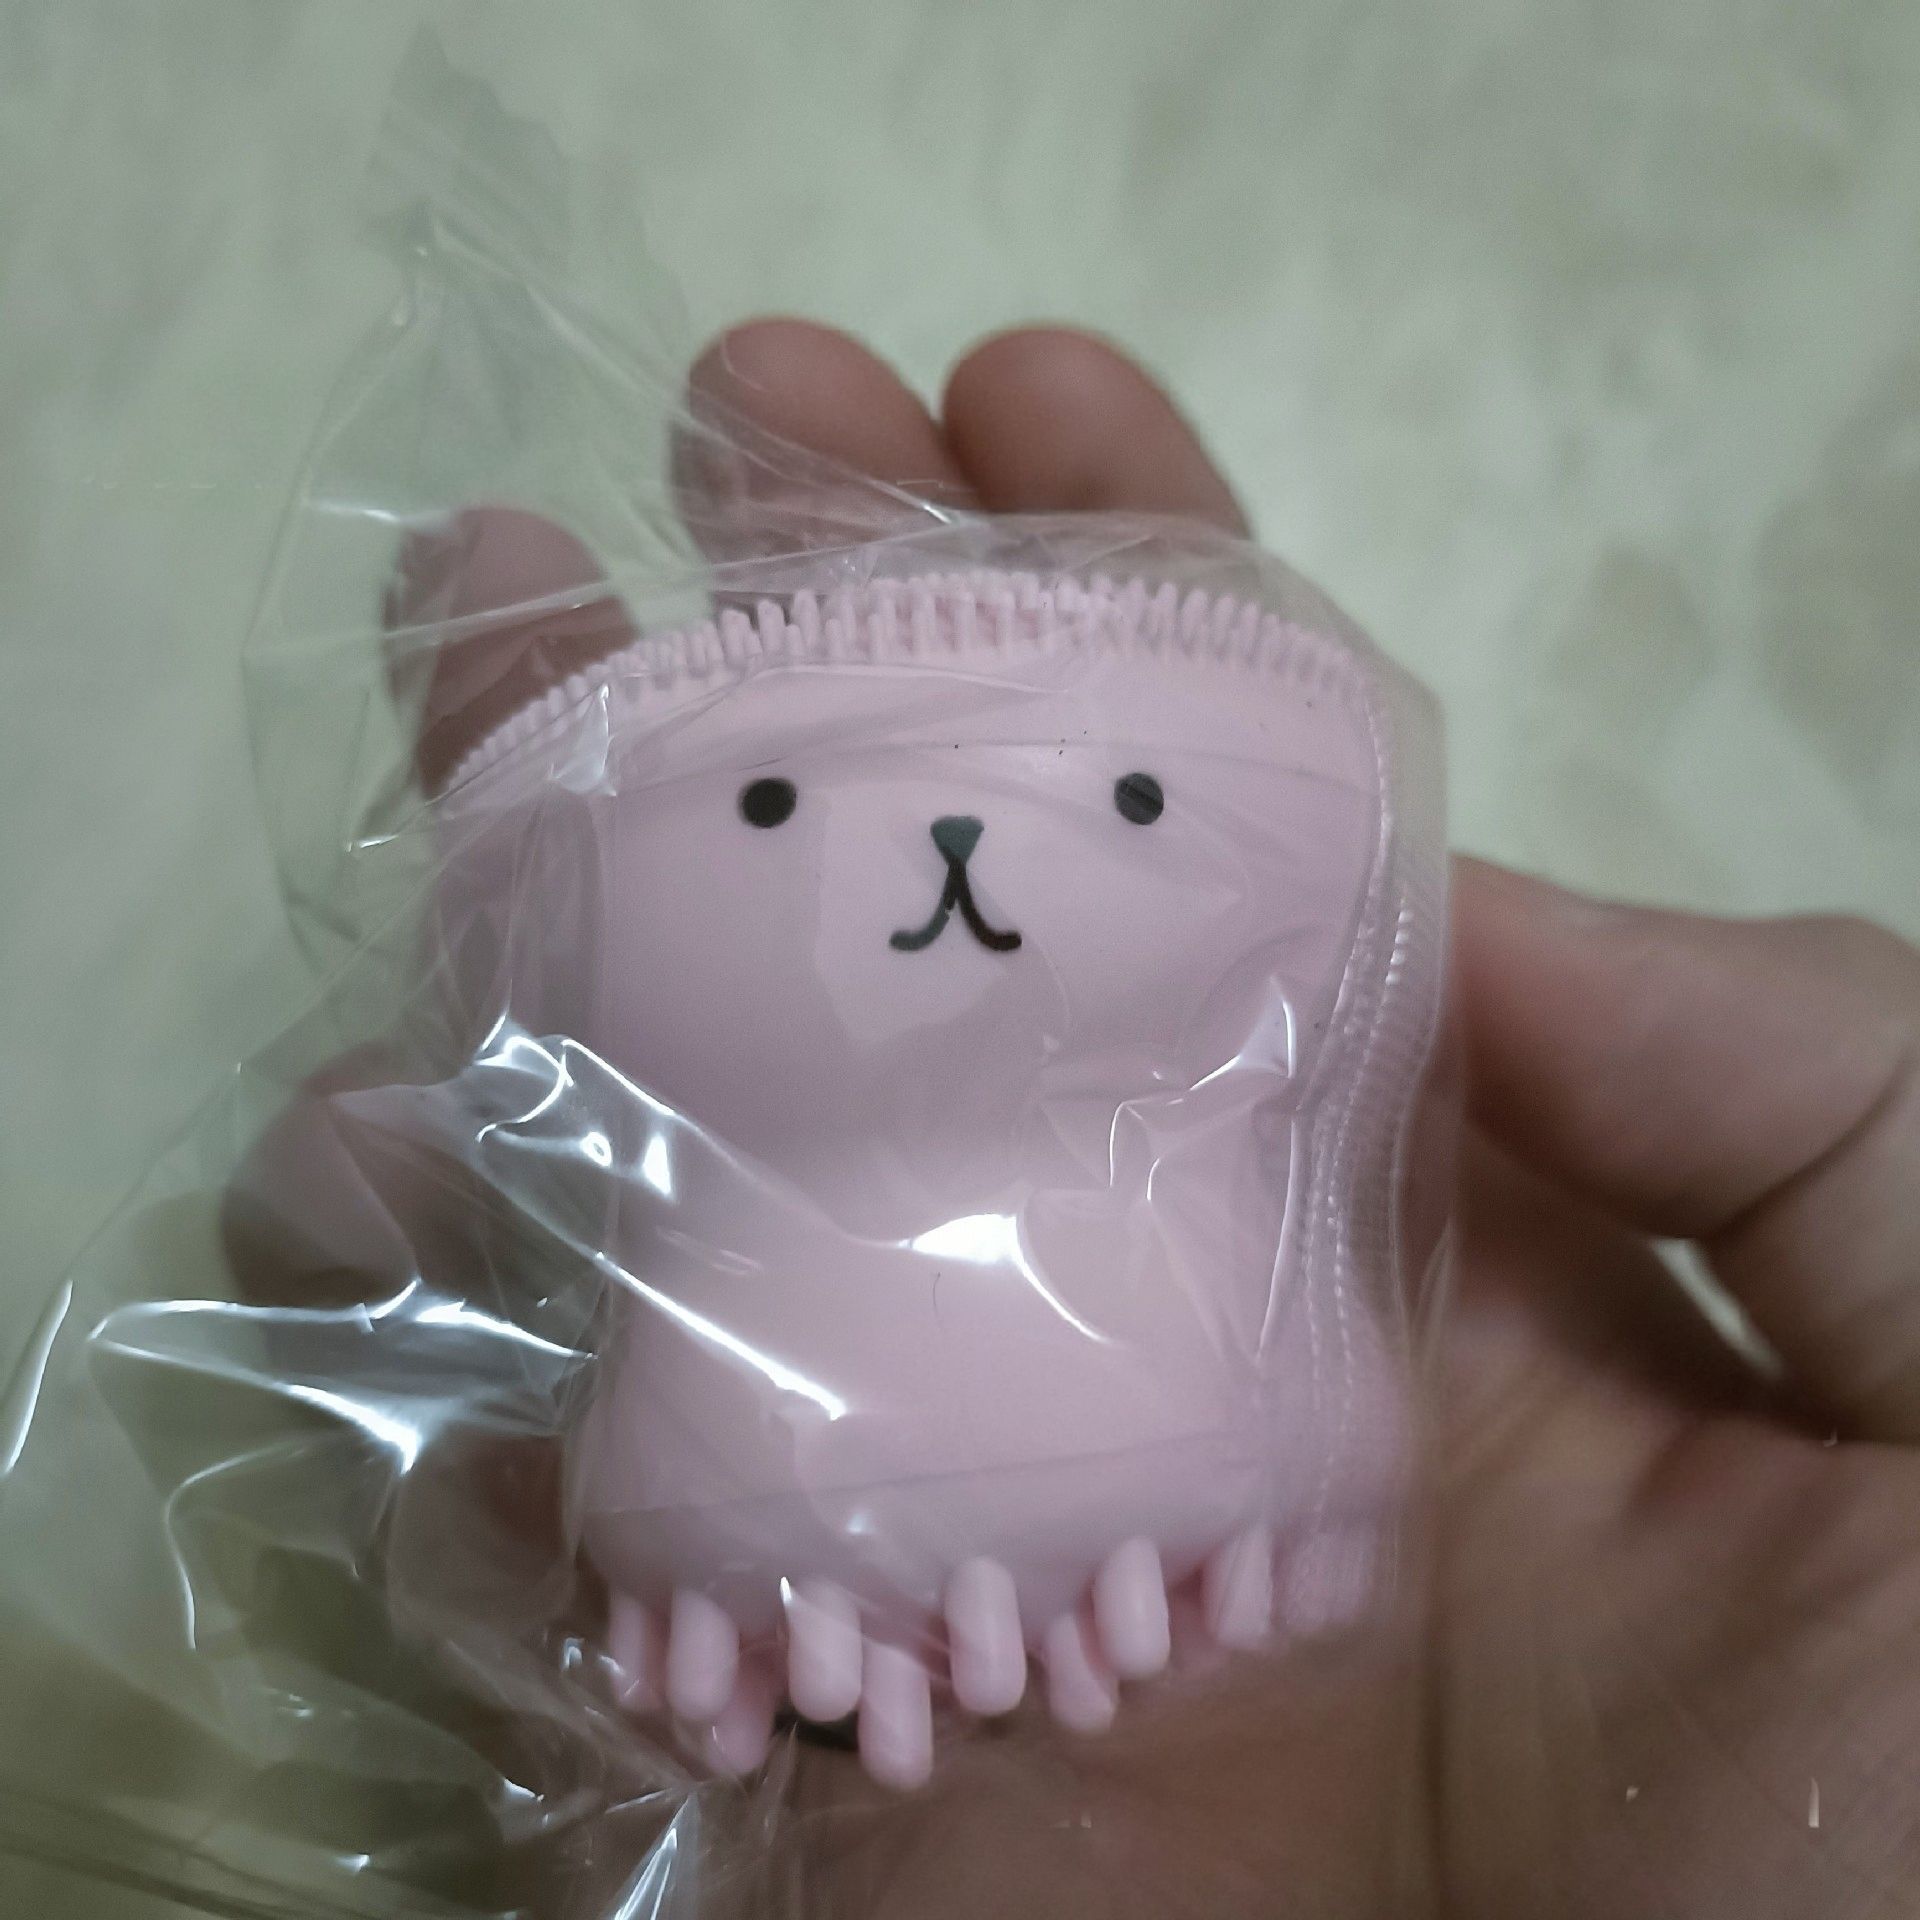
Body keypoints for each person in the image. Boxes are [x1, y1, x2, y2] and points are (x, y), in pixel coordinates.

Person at [363, 320, 1920, 1918]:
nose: (956, 844)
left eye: (1130, 798)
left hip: (882, 1481)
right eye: (769, 809)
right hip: (790, 1489)